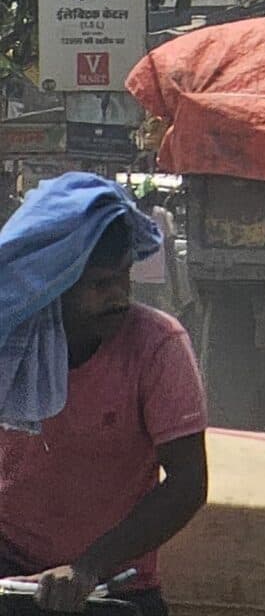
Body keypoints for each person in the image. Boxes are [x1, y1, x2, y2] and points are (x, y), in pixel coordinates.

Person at [0, 173, 209, 615]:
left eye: (123, 279)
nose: (118, 297)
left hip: (113, 586)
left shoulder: (157, 344)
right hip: (11, 577)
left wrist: (86, 568)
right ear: (53, 287)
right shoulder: (10, 344)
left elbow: (189, 483)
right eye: (99, 285)